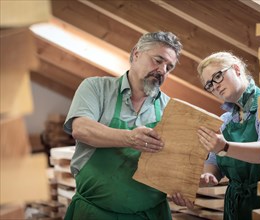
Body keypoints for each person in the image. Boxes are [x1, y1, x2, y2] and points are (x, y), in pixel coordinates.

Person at [63, 31, 182, 220]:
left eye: (169, 67)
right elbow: (82, 129)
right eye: (158, 60)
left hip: (150, 215)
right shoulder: (96, 88)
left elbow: (177, 160)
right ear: (136, 54)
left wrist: (179, 184)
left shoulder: (171, 108)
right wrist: (130, 138)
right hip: (95, 213)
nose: (162, 70)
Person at [172, 51, 260, 220]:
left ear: (236, 69)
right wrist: (207, 176)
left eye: (217, 76)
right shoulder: (225, 121)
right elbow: (213, 163)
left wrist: (225, 146)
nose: (215, 86)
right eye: (209, 85)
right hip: (235, 207)